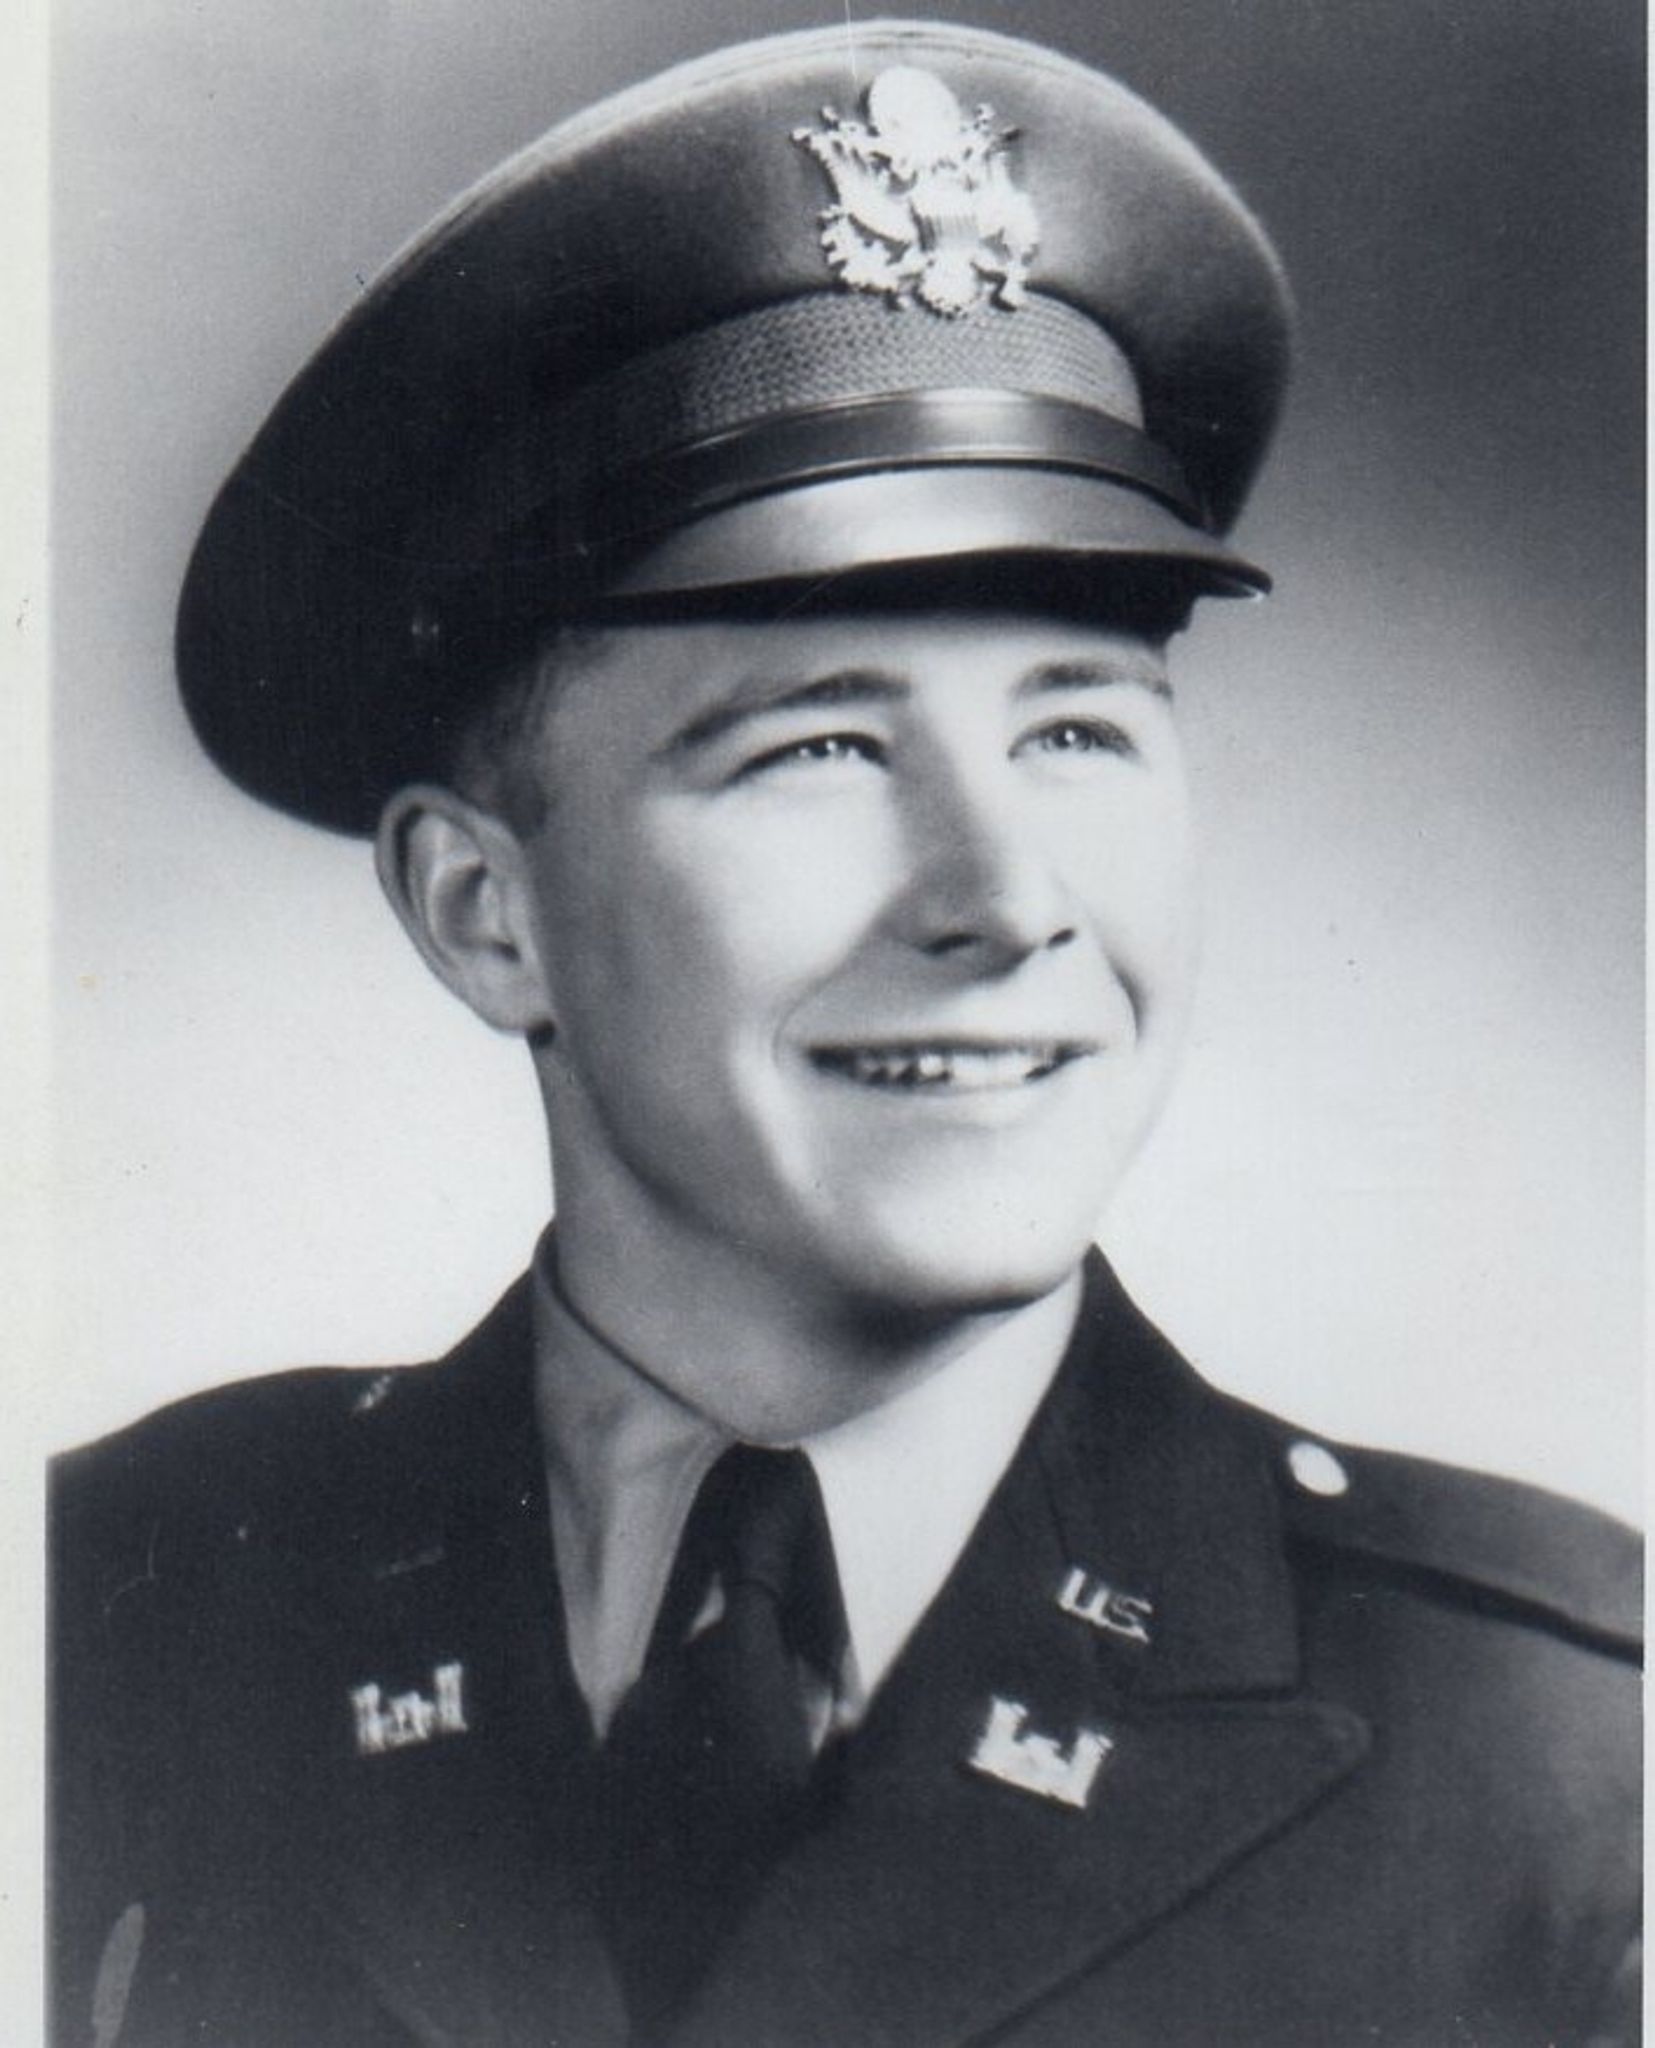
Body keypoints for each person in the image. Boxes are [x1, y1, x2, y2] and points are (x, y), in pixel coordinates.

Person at [49, 19, 1639, 2047]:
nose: (1005, 895)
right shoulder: (117, 1615)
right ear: (482, 910)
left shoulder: (1554, 1766)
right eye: (819, 748)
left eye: (1079, 730)